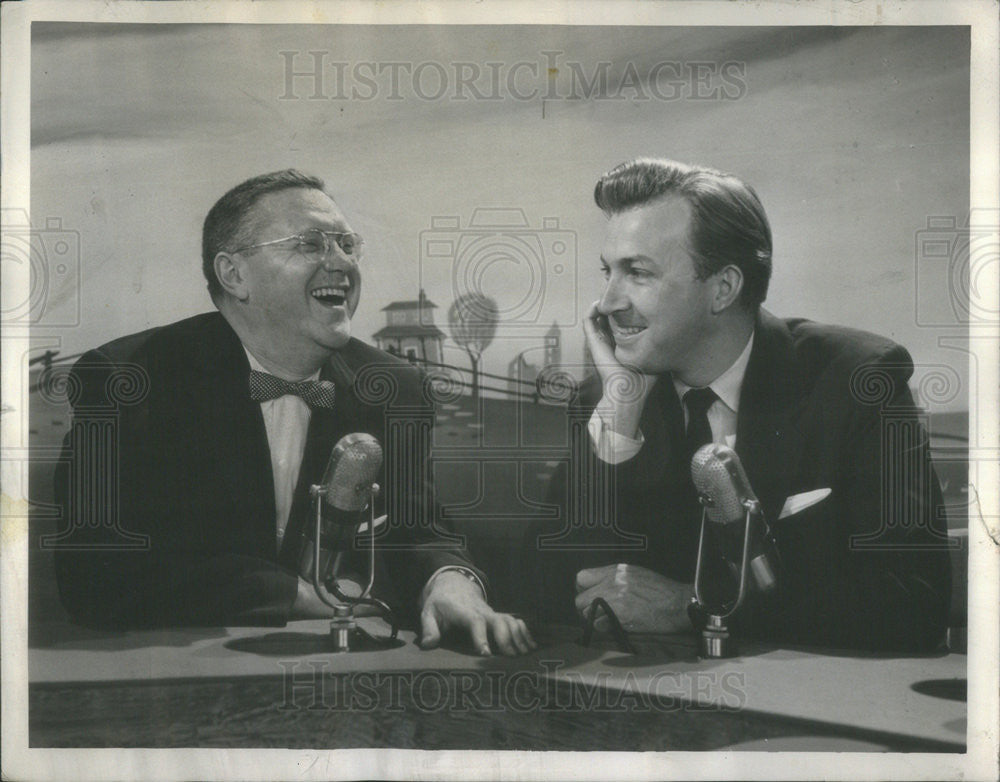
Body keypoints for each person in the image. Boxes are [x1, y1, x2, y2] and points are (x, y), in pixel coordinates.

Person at [52, 169, 534, 656]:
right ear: (234, 275)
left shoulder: (396, 389)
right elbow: (95, 576)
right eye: (310, 244)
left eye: (347, 244)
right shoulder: (127, 380)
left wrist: (449, 582)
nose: (341, 263)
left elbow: (420, 531)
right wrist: (298, 596)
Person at [535, 158, 951, 652]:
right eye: (609, 272)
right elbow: (544, 592)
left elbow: (915, 601)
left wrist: (699, 607)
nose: (606, 302)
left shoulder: (857, 378)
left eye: (638, 273)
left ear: (724, 288)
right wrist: (619, 423)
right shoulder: (607, 401)